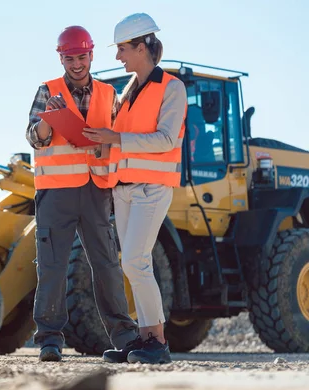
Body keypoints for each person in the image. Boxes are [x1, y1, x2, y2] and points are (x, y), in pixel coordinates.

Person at [26, 25, 139, 362]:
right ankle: (49, 339)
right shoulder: (47, 90)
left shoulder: (108, 94)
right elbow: (34, 137)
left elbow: (118, 136)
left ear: (91, 55)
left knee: (106, 265)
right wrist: (50, 118)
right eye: (70, 58)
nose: (77, 64)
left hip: (96, 191)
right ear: (62, 58)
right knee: (52, 266)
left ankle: (125, 336)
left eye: (82, 57)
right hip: (55, 193)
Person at [82, 13, 187, 364]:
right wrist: (100, 141)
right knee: (131, 263)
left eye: (123, 49)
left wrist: (117, 138)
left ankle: (156, 340)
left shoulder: (171, 88)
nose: (118, 57)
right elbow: (121, 141)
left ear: (142, 47)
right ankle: (144, 338)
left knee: (138, 262)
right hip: (124, 190)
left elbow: (166, 138)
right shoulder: (127, 92)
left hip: (151, 189)